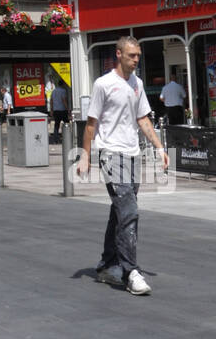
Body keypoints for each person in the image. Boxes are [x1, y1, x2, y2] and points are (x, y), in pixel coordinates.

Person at [79, 36, 167, 296]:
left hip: (132, 153)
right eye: (131, 55)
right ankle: (131, 272)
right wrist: (86, 155)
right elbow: (91, 124)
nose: (136, 60)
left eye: (138, 55)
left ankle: (107, 264)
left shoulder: (137, 84)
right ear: (118, 54)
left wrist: (160, 147)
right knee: (129, 210)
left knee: (120, 210)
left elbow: (143, 119)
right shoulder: (103, 84)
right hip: (110, 153)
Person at [49, 78, 71, 143]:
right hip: (62, 110)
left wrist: (51, 110)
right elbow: (64, 100)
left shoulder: (54, 91)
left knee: (56, 125)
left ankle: (55, 140)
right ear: (63, 84)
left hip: (56, 110)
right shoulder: (63, 91)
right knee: (66, 124)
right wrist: (68, 109)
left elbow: (51, 101)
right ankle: (67, 137)